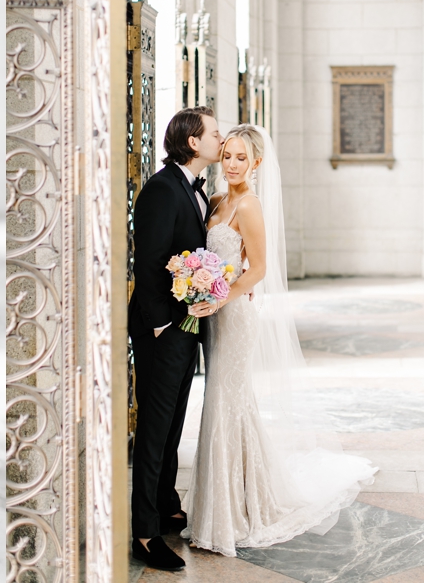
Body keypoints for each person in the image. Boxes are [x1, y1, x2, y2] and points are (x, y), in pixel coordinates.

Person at [184, 124, 376, 557]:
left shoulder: (249, 207)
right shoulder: (216, 201)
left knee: (223, 401)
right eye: (228, 155)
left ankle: (234, 512)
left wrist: (219, 298)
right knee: (228, 405)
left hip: (234, 317)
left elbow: (259, 269)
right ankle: (231, 498)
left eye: (241, 158)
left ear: (256, 163)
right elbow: (218, 260)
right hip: (214, 313)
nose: (232, 164)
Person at [128, 106, 224, 571]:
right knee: (153, 428)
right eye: (215, 133)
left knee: (173, 424)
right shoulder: (162, 190)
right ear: (193, 142)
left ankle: (165, 503)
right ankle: (144, 533)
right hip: (163, 329)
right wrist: (164, 322)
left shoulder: (194, 189)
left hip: (187, 325)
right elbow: (145, 263)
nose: (220, 139)